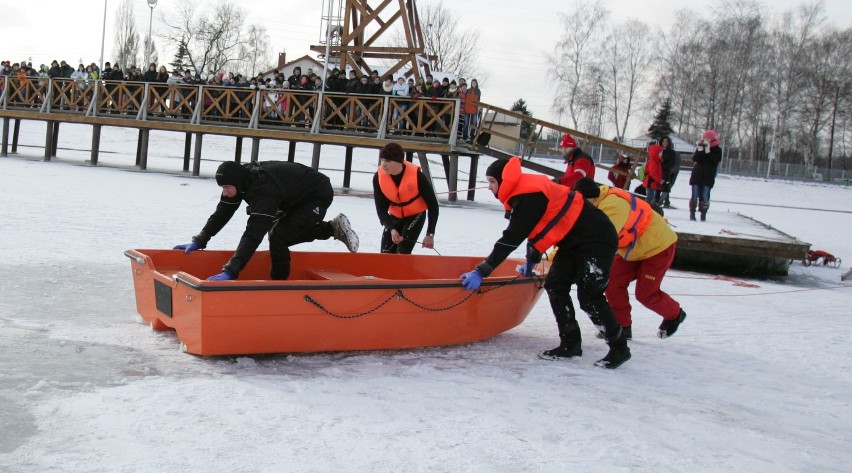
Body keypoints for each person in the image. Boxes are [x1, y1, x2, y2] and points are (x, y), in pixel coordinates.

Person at [458, 157, 630, 369]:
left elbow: (511, 238)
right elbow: (536, 231)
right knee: (556, 285)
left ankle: (619, 347)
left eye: (493, 181)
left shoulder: (528, 195)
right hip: (571, 242)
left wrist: (482, 271)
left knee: (589, 296)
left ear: (504, 179)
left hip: (596, 239)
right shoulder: (522, 194)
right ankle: (570, 344)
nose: (490, 187)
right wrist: (531, 262)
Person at [173, 161, 359, 281]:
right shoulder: (241, 181)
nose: (225, 192)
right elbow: (222, 213)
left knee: (278, 236)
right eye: (222, 188)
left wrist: (231, 270)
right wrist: (200, 239)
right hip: (290, 197)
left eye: (227, 187)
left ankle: (279, 285)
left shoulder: (263, 191)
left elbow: (253, 233)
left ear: (236, 183)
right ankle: (332, 228)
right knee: (279, 232)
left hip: (316, 194)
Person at [573, 178, 687, 340]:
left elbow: (597, 239)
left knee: (646, 294)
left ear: (590, 198)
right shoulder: (597, 204)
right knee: (613, 282)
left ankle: (675, 315)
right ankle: (623, 326)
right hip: (633, 249)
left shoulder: (613, 207)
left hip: (658, 247)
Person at [372, 143, 439, 254]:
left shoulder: (418, 177)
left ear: (399, 161)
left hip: (415, 216)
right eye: (382, 160)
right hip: (394, 216)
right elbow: (381, 209)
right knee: (385, 254)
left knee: (402, 252)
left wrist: (430, 234)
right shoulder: (378, 178)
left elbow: (433, 205)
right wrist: (391, 228)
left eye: (388, 161)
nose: (383, 165)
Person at [690, 129, 722, 221]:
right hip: (697, 175)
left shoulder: (717, 150)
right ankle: (692, 214)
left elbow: (715, 161)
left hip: (708, 177)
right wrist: (700, 150)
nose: (706, 140)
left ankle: (703, 214)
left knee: (705, 195)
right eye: (705, 138)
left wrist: (708, 151)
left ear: (712, 139)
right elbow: (695, 159)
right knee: (694, 195)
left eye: (708, 138)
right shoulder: (700, 147)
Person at [658, 136, 679, 208]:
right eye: (663, 141)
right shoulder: (658, 150)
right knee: (657, 189)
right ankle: (659, 202)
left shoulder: (671, 152)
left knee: (666, 189)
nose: (665, 143)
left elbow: (671, 163)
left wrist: (663, 166)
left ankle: (659, 203)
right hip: (657, 172)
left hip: (666, 173)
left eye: (666, 141)